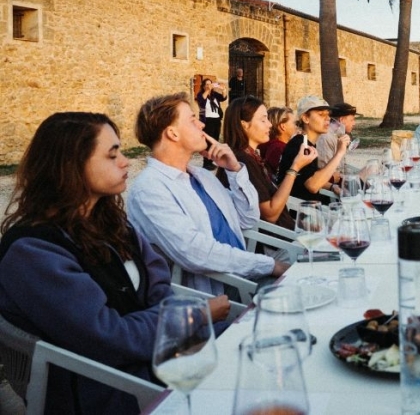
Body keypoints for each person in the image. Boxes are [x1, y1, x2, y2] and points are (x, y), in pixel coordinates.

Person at [0, 112, 229, 414]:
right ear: (71, 167)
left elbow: (158, 288)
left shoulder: (110, 225)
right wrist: (193, 318)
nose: (126, 162)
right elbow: (110, 337)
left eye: (121, 150)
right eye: (112, 155)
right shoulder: (33, 251)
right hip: (108, 389)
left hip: (157, 360)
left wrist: (176, 326)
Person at [127, 93, 290, 296]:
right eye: (193, 120)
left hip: (244, 276)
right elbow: (195, 252)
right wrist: (270, 265)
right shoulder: (149, 190)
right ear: (173, 134)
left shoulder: (202, 176)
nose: (202, 125)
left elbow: (248, 219)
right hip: (215, 296)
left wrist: (234, 170)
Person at [217, 96, 316, 231]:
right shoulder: (241, 161)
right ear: (244, 124)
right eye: (263, 120)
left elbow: (274, 192)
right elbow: (271, 214)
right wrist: (295, 167)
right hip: (279, 243)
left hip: (290, 231)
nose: (269, 124)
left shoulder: (252, 155)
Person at [276, 96, 350, 204]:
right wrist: (339, 153)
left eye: (328, 114)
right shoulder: (300, 146)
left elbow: (307, 177)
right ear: (305, 118)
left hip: (311, 208)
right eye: (321, 114)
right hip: (300, 213)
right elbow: (313, 185)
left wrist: (332, 186)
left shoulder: (307, 143)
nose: (328, 118)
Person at [258, 106, 297, 181]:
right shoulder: (278, 149)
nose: (296, 126)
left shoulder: (271, 145)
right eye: (294, 123)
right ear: (283, 126)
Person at [195, 78, 227, 170]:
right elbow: (201, 100)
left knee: (214, 141)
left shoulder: (214, 95)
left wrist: (223, 89)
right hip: (207, 121)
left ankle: (211, 161)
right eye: (207, 84)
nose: (209, 85)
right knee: (208, 142)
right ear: (204, 86)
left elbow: (223, 98)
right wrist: (207, 90)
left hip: (216, 120)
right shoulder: (201, 94)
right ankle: (206, 163)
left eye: (210, 84)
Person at [317, 102, 357, 168]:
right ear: (341, 120)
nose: (354, 123)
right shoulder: (326, 137)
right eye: (352, 120)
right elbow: (324, 167)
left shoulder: (339, 135)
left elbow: (341, 165)